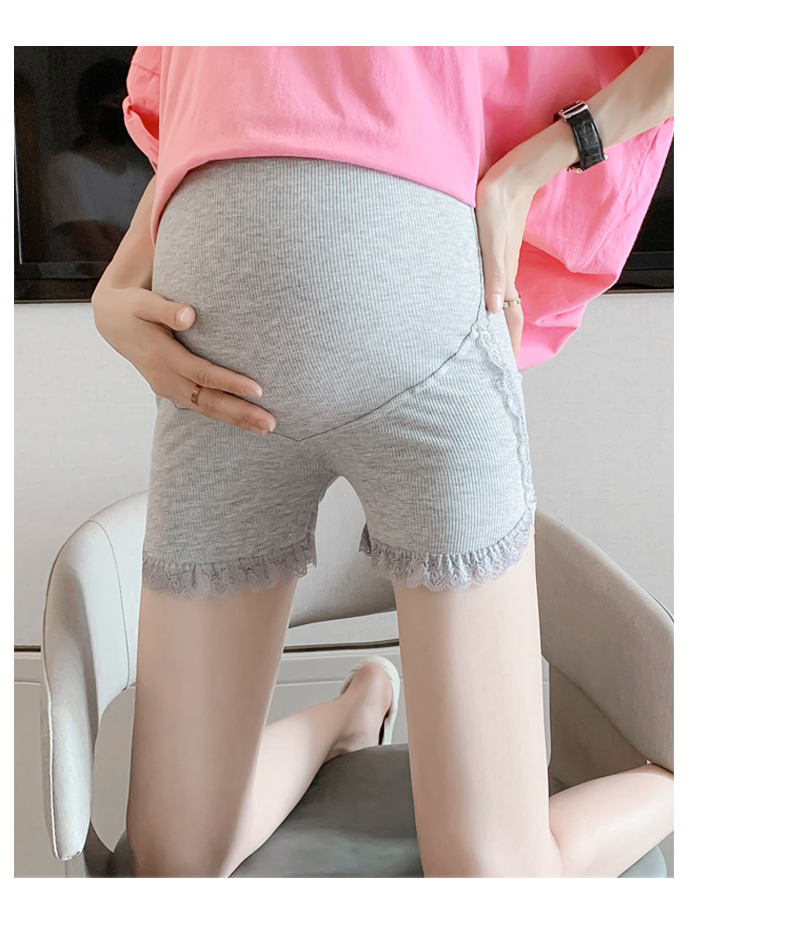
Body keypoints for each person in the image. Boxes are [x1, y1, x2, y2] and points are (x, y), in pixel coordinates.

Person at [92, 45, 674, 878]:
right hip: (216, 400)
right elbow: (216, 106)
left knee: (491, 877)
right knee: (170, 866)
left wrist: (535, 167)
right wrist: (115, 286)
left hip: (432, 371)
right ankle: (350, 714)